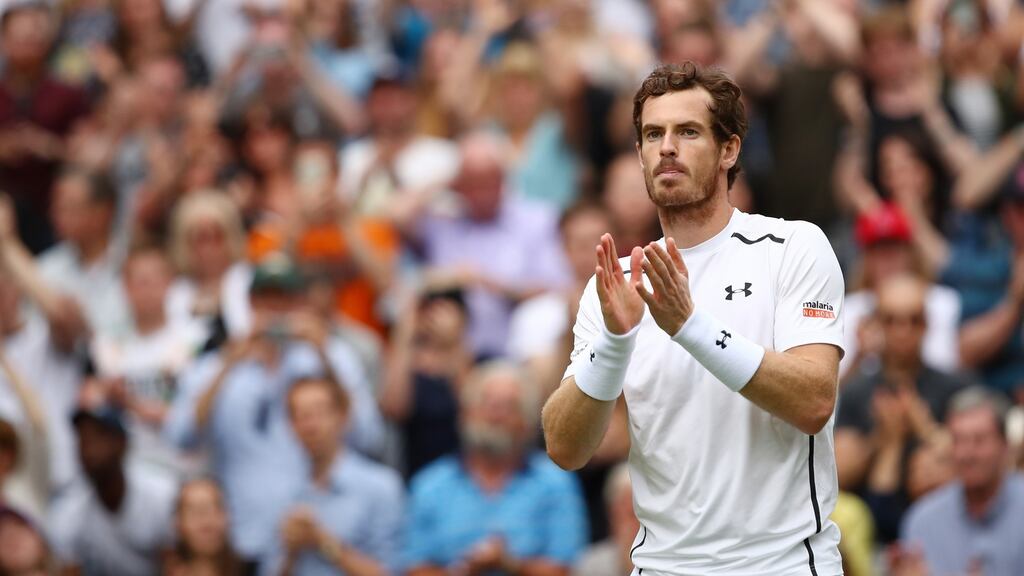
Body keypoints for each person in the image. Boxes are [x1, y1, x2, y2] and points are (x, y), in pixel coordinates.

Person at [542, 62, 846, 574]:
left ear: (729, 149)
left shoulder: (793, 247)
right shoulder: (616, 282)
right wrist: (616, 341)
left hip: (781, 565)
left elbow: (815, 399)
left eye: (687, 132)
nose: (666, 147)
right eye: (652, 134)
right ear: (638, 154)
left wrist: (690, 326)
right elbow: (565, 447)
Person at [163, 253, 383, 567]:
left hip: (310, 542)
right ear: (250, 303)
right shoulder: (219, 363)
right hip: (240, 543)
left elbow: (368, 435)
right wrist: (228, 364)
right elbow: (181, 437)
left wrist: (323, 355)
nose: (276, 312)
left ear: (301, 303)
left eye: (286, 301)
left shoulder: (332, 355)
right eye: (267, 300)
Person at [404, 361, 587, 575]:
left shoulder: (555, 484)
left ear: (527, 423)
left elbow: (564, 569)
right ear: (465, 414)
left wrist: (509, 564)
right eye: (487, 403)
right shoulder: (430, 485)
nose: (495, 416)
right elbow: (414, 567)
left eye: (509, 407)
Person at [836, 273, 970, 542]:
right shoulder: (856, 390)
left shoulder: (955, 387)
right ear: (876, 325)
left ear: (927, 325)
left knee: (930, 468)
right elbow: (836, 474)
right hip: (868, 528)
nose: (903, 331)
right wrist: (884, 438)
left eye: (913, 320)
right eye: (891, 320)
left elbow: (974, 460)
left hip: (943, 526)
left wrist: (926, 428)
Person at [265, 376, 403, 576]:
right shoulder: (282, 491)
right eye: (301, 416)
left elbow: (390, 572)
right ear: (291, 426)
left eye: (319, 413)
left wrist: (323, 542)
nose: (310, 426)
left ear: (343, 416)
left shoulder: (381, 487)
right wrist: (291, 551)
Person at [899, 386, 1024, 575]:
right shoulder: (923, 522)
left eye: (979, 440)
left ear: (1005, 445)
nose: (967, 454)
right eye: (958, 440)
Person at [49, 402, 176, 576]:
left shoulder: (161, 494)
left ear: (122, 443)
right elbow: (67, 567)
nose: (88, 449)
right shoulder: (69, 509)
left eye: (99, 437)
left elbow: (176, 565)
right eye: (82, 440)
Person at [161, 478, 246, 576]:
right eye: (195, 511)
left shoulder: (253, 570)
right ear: (177, 523)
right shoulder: (155, 569)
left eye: (215, 507)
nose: (206, 520)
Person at [572, 462, 639, 576]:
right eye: (632, 515)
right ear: (613, 514)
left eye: (646, 519)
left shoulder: (673, 564)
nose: (639, 526)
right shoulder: (591, 567)